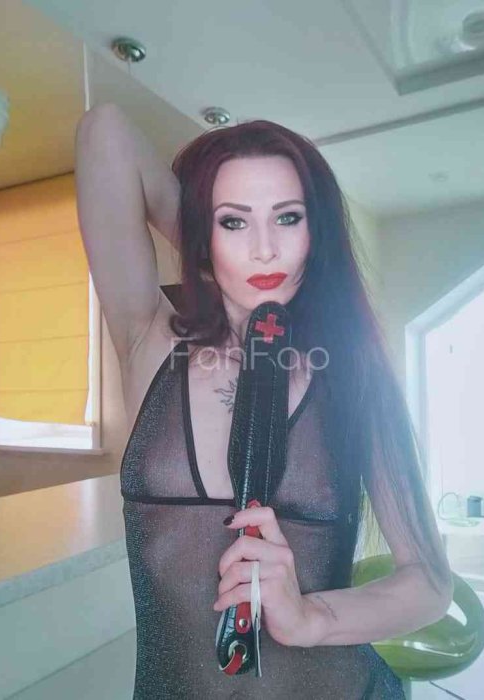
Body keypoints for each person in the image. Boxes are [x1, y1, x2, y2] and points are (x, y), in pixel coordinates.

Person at [75, 103, 454, 699]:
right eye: (234, 222)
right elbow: (106, 133)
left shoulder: (353, 377)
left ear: (315, 231)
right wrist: (203, 245)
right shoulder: (150, 342)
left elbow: (428, 582)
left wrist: (310, 618)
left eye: (288, 218)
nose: (265, 250)